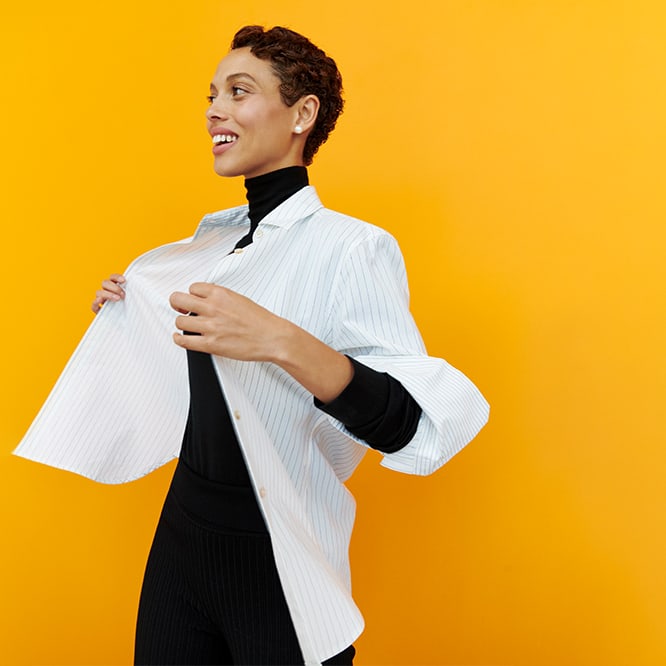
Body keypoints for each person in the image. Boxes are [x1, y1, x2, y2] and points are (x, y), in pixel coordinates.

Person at [15, 25, 489, 666]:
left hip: (280, 554)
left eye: (239, 92)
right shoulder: (210, 244)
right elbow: (194, 376)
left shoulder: (352, 248)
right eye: (211, 94)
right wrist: (136, 308)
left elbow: (406, 423)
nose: (215, 109)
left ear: (303, 113)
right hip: (183, 539)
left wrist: (278, 340)